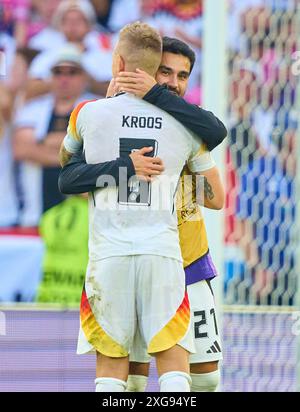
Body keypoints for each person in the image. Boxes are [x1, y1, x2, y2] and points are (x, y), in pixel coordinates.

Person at [60, 22, 224, 393]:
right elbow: (75, 175)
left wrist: (180, 179)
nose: (174, 82)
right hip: (153, 254)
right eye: (165, 72)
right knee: (137, 378)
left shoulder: (186, 120)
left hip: (187, 259)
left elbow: (215, 197)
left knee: (207, 377)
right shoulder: (108, 116)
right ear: (146, 70)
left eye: (183, 76)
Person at [13, 44, 95, 226]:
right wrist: (75, 154)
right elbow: (21, 149)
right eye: (58, 72)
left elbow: (99, 150)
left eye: (72, 72)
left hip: (83, 219)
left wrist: (45, 143)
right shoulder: (32, 109)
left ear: (83, 77)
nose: (64, 78)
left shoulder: (96, 109)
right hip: (36, 215)